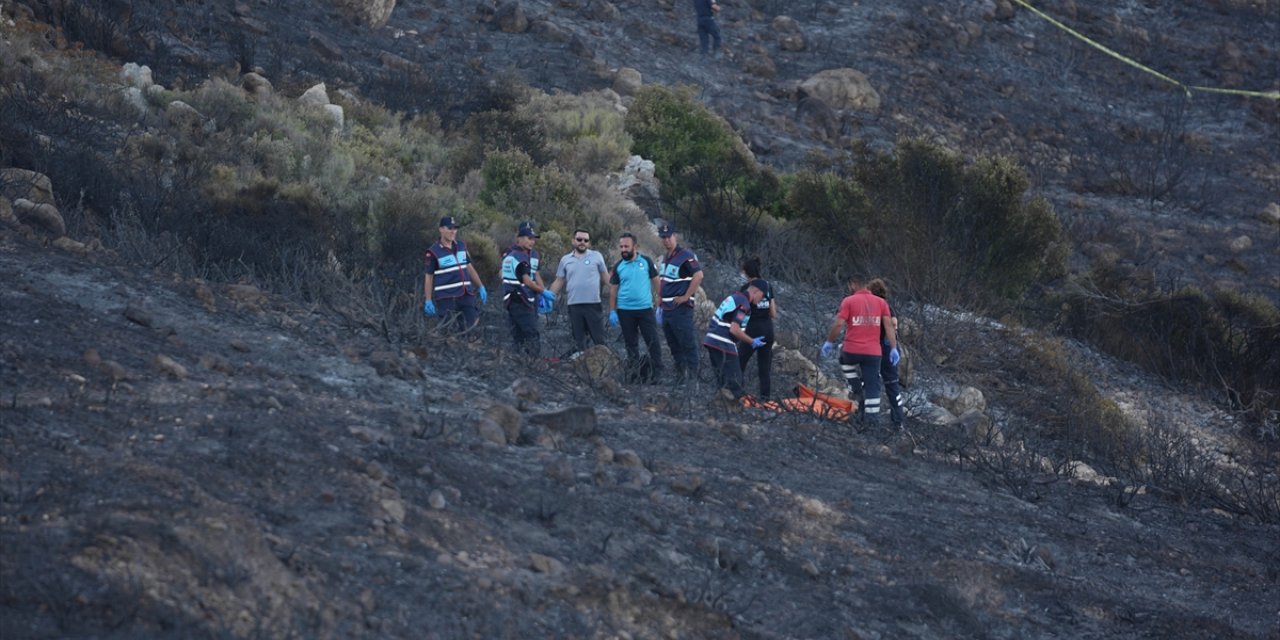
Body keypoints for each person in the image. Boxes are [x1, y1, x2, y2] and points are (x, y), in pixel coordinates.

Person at [821, 275, 898, 427]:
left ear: (854, 284)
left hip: (851, 350)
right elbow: (889, 326)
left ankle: (856, 387)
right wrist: (894, 348)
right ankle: (871, 424)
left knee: (843, 360)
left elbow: (838, 325)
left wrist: (829, 342)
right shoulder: (881, 303)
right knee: (873, 387)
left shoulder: (848, 301)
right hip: (873, 353)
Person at [607, 232, 663, 383]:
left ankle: (658, 373)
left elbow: (657, 282)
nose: (623, 249)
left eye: (626, 246)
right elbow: (613, 290)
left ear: (635, 247)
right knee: (630, 343)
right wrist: (612, 311)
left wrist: (661, 303)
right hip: (625, 311)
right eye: (621, 247)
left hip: (645, 309)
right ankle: (634, 373)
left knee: (652, 341)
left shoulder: (646, 262)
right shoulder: (619, 266)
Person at [656, 223, 704, 382]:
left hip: (680, 309)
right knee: (673, 345)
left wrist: (686, 296)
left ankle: (693, 380)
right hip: (667, 309)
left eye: (668, 237)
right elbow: (665, 281)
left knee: (688, 344)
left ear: (675, 236)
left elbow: (698, 276)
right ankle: (680, 377)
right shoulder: (665, 257)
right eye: (663, 238)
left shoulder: (686, 255)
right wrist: (660, 297)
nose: (666, 240)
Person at [549, 228, 610, 353]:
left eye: (586, 240)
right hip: (574, 305)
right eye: (579, 239)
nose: (582, 242)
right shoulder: (565, 260)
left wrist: (618, 296)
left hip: (593, 305)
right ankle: (581, 368)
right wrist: (549, 296)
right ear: (573, 241)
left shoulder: (596, 256)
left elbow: (606, 278)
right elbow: (559, 280)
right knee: (579, 341)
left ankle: (605, 367)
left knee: (599, 340)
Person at [703, 280, 768, 399]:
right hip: (723, 343)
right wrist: (752, 341)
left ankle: (721, 410)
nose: (762, 299)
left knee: (723, 382)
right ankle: (737, 411)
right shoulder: (744, 304)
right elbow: (734, 329)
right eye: (763, 296)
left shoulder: (735, 297)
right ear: (756, 291)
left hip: (712, 340)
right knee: (736, 384)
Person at [423, 215, 487, 332]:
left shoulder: (461, 246)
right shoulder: (433, 251)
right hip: (447, 297)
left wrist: (481, 286)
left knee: (471, 328)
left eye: (455, 228)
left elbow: (469, 267)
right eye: (449, 228)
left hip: (466, 295)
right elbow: (429, 277)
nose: (453, 231)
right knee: (448, 332)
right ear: (441, 229)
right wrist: (428, 299)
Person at [500, 221, 553, 355]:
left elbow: (536, 274)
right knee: (530, 333)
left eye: (534, 239)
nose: (532, 242)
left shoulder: (534, 254)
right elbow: (526, 281)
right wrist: (543, 291)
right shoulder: (514, 255)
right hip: (518, 299)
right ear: (520, 238)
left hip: (531, 299)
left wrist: (541, 291)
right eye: (529, 238)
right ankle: (532, 361)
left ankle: (521, 360)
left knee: (523, 333)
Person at [866, 278, 905, 426]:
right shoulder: (888, 305)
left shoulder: (873, 306)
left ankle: (868, 418)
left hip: (876, 347)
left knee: (869, 383)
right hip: (888, 347)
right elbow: (894, 323)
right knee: (892, 385)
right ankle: (898, 421)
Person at [736, 256, 776, 398]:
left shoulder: (745, 289)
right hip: (768, 330)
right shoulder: (768, 286)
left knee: (739, 364)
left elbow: (741, 313)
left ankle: (737, 396)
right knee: (764, 370)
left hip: (752, 331)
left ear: (746, 272)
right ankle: (766, 400)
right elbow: (773, 313)